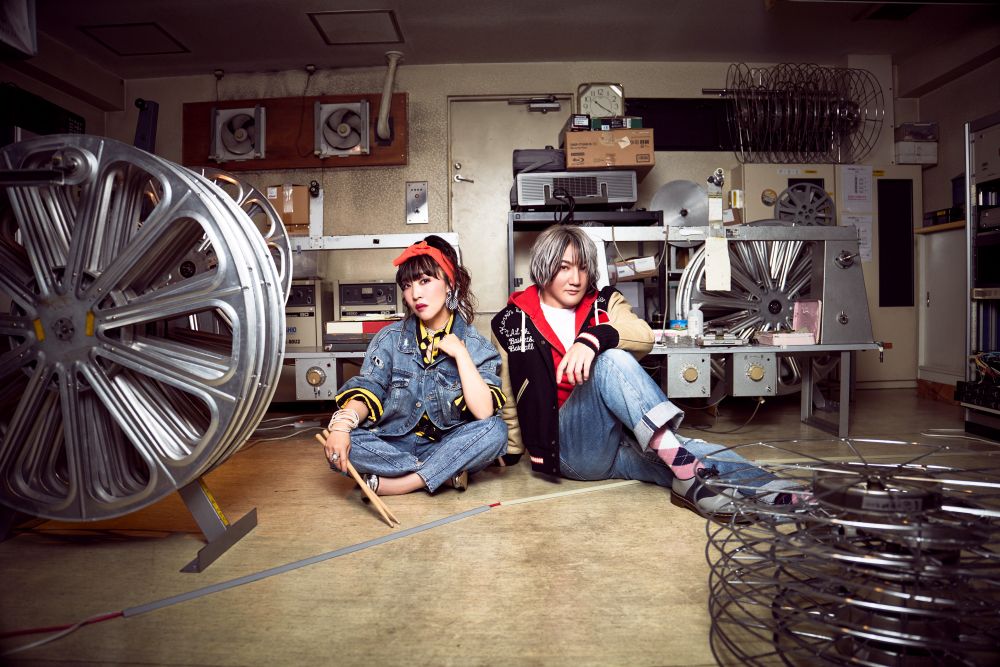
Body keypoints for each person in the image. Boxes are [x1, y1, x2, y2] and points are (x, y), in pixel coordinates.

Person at [490, 225, 798, 517]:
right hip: (568, 449)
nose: (576, 279)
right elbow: (508, 395)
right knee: (610, 359)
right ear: (544, 267)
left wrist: (594, 336)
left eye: (583, 268)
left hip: (618, 439)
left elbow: (643, 335)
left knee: (687, 454)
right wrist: (511, 450)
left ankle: (779, 492)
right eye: (564, 267)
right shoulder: (510, 321)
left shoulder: (605, 301)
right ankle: (687, 469)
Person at [322, 235, 507, 496]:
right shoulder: (389, 339)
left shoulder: (477, 346)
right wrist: (342, 426)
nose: (415, 294)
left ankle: (400, 483)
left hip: (446, 443)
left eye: (425, 281)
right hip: (391, 443)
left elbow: (484, 413)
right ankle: (444, 474)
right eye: (407, 285)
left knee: (495, 431)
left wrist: (461, 355)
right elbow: (369, 388)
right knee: (341, 444)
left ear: (450, 284)